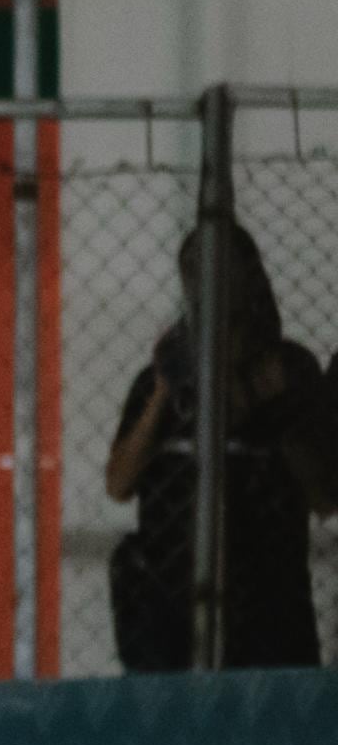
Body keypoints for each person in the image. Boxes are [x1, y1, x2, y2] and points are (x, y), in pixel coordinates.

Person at [104, 218, 334, 673]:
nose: (208, 281)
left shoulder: (290, 368)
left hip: (268, 601)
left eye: (222, 266)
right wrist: (164, 394)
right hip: (172, 605)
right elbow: (119, 483)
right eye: (194, 268)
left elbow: (323, 496)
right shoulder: (162, 379)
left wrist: (279, 414)